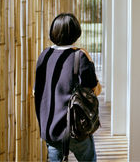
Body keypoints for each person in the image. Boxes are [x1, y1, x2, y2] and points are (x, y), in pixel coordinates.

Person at [34, 13, 102, 162]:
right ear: (76, 33)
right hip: (76, 128)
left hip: (51, 128)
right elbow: (95, 90)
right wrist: (89, 60)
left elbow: (36, 91)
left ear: (53, 31)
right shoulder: (79, 57)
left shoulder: (44, 56)